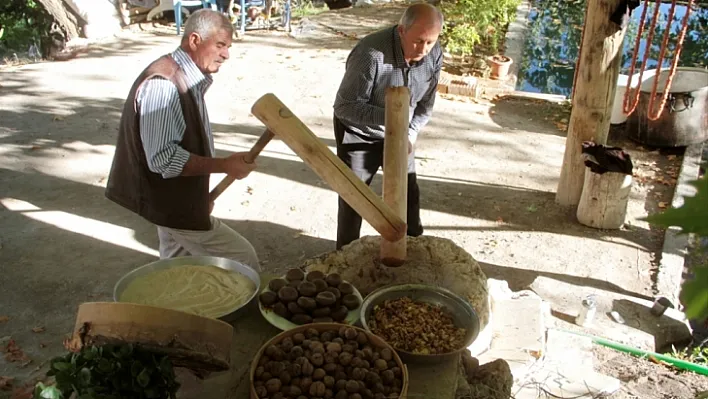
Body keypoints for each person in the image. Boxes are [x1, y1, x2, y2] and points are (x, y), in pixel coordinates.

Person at [105, 9, 261, 271]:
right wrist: (225, 165)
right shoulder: (165, 84)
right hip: (168, 201)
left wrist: (199, 196)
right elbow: (164, 160)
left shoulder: (189, 77)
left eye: (228, 46)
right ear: (195, 41)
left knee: (175, 266)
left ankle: (174, 312)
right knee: (242, 260)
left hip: (175, 201)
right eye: (220, 45)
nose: (226, 54)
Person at [332, 3, 444, 250]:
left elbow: (426, 104)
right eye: (418, 41)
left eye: (430, 42)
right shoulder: (370, 54)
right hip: (359, 133)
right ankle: (346, 258)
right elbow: (345, 106)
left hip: (402, 131)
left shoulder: (434, 53)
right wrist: (394, 117)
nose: (423, 50)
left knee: (409, 197)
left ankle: (413, 252)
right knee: (355, 200)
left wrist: (409, 132)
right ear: (402, 30)